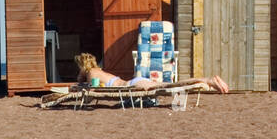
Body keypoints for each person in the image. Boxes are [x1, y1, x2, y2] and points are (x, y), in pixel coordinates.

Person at [74, 52, 230, 93]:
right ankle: (208, 80)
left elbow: (93, 89)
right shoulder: (98, 70)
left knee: (171, 85)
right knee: (169, 84)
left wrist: (78, 84)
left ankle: (209, 80)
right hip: (134, 81)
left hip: (132, 85)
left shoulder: (91, 73)